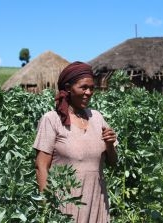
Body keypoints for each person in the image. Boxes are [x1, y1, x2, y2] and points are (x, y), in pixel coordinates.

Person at [33, 61, 118, 222]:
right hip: (65, 204)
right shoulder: (52, 120)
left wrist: (110, 145)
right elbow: (41, 166)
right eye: (83, 87)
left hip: (97, 201)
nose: (88, 92)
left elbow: (113, 162)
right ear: (68, 88)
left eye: (92, 88)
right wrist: (47, 208)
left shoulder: (97, 117)